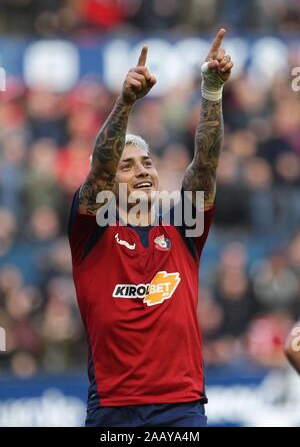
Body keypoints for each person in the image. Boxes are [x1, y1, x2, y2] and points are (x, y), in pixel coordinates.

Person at [68, 29, 233, 427]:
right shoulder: (92, 233)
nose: (142, 171)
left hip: (181, 406)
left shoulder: (184, 227)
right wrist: (125, 102)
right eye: (128, 166)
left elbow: (205, 167)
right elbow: (100, 170)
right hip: (113, 408)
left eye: (147, 163)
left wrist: (211, 91)